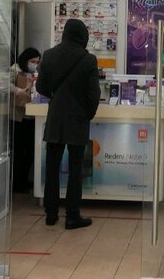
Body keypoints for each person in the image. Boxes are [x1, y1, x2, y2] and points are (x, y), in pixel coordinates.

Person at [35, 18, 100, 229]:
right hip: (78, 120)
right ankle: (72, 215)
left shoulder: (49, 55)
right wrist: (87, 114)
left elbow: (41, 87)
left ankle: (51, 213)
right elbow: (93, 94)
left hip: (55, 118)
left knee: (52, 168)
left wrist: (56, 97)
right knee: (75, 169)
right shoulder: (88, 60)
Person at [9, 47, 41, 193]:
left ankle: (24, 179)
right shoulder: (15, 69)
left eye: (37, 62)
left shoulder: (34, 73)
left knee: (30, 150)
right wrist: (18, 91)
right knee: (19, 150)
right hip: (18, 116)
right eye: (33, 61)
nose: (35, 64)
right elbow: (5, 84)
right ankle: (16, 182)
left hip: (31, 116)